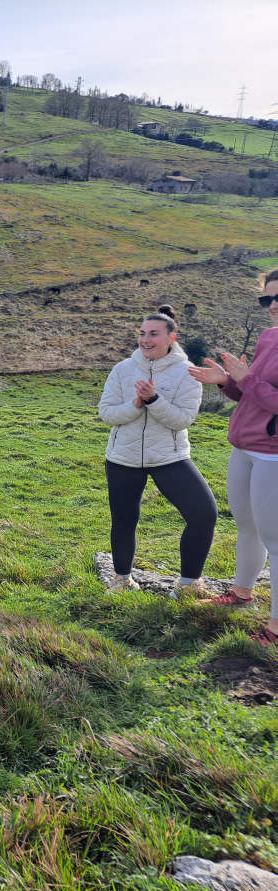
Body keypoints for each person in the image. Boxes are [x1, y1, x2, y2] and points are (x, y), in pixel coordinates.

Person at [98, 306, 217, 595]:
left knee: (204, 513)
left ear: (171, 338)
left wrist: (153, 400)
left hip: (169, 457)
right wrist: (135, 406)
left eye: (153, 334)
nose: (145, 339)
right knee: (124, 520)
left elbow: (182, 420)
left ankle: (188, 584)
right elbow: (106, 413)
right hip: (123, 457)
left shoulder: (188, 373)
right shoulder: (123, 369)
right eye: (142, 333)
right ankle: (122, 580)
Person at [189, 269, 278, 646]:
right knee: (247, 526)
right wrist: (228, 382)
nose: (273, 307)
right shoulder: (269, 337)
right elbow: (251, 397)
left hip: (273, 455)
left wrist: (247, 379)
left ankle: (276, 628)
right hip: (243, 446)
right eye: (267, 299)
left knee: (275, 537)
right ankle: (242, 593)